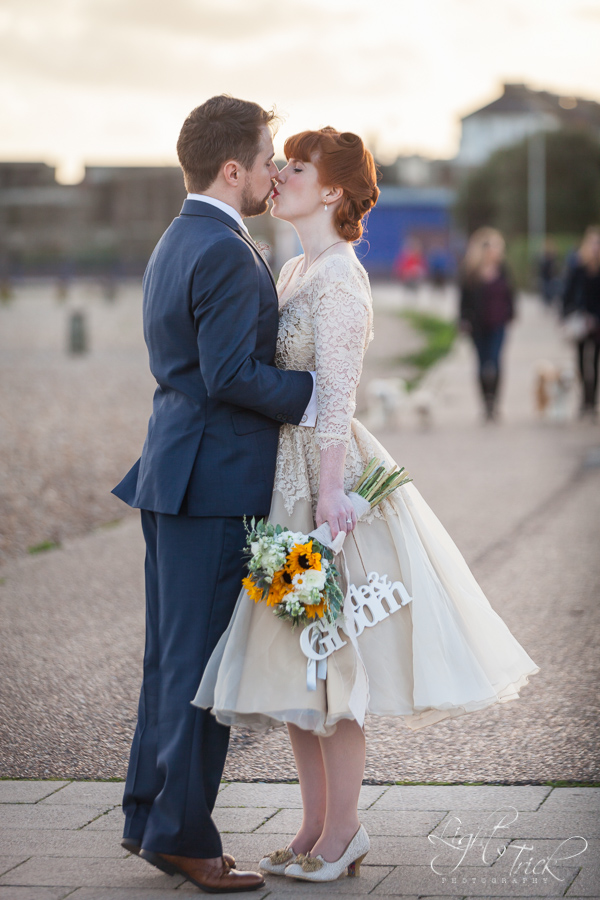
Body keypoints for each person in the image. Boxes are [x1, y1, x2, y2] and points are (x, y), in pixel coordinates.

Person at [194, 129, 539, 883]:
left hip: (327, 484)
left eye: (297, 166)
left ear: (332, 193)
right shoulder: (294, 268)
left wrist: (326, 498)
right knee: (297, 666)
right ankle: (314, 828)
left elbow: (337, 394)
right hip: (286, 480)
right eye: (279, 161)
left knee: (331, 662)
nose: (278, 174)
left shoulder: (343, 279)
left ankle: (345, 831)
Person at [111, 95, 318, 894]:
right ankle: (184, 839)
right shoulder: (228, 251)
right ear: (233, 168)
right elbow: (230, 375)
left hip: (172, 472)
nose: (274, 172)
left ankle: (148, 816)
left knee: (170, 661)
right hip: (211, 482)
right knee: (203, 670)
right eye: (268, 160)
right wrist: (310, 393)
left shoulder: (178, 237)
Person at [458, 227, 515, 421]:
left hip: (498, 323)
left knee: (496, 361)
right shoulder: (471, 272)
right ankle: (486, 403)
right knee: (482, 364)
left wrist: (511, 313)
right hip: (477, 325)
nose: (494, 252)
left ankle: (495, 402)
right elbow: (463, 299)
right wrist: (463, 320)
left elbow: (510, 294)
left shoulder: (503, 270)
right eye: (491, 248)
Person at [561, 225, 600, 418]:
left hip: (598, 323)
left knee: (595, 362)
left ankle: (592, 401)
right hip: (580, 320)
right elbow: (568, 292)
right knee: (581, 362)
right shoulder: (578, 267)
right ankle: (584, 400)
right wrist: (565, 315)